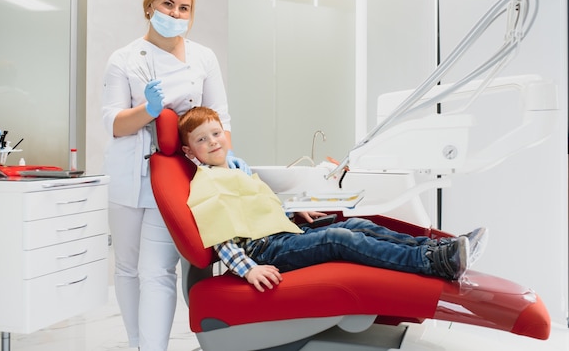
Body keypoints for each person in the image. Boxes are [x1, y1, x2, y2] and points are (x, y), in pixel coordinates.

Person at [178, 106, 488, 293]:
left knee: (355, 222)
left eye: (216, 134)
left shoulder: (235, 168)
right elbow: (222, 238)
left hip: (281, 235)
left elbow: (254, 206)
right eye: (202, 140)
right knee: (337, 239)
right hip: (262, 253)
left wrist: (295, 213)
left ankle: (438, 251)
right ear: (191, 152)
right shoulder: (206, 184)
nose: (212, 142)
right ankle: (430, 263)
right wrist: (248, 270)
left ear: (225, 135)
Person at [102, 0, 249, 351]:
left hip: (174, 177)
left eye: (184, 7)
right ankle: (136, 342)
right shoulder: (123, 59)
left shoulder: (203, 57)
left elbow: (221, 117)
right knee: (126, 269)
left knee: (158, 272)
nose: (176, 12)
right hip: (129, 174)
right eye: (168, 4)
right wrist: (147, 110)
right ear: (150, 5)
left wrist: (224, 160)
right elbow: (114, 123)